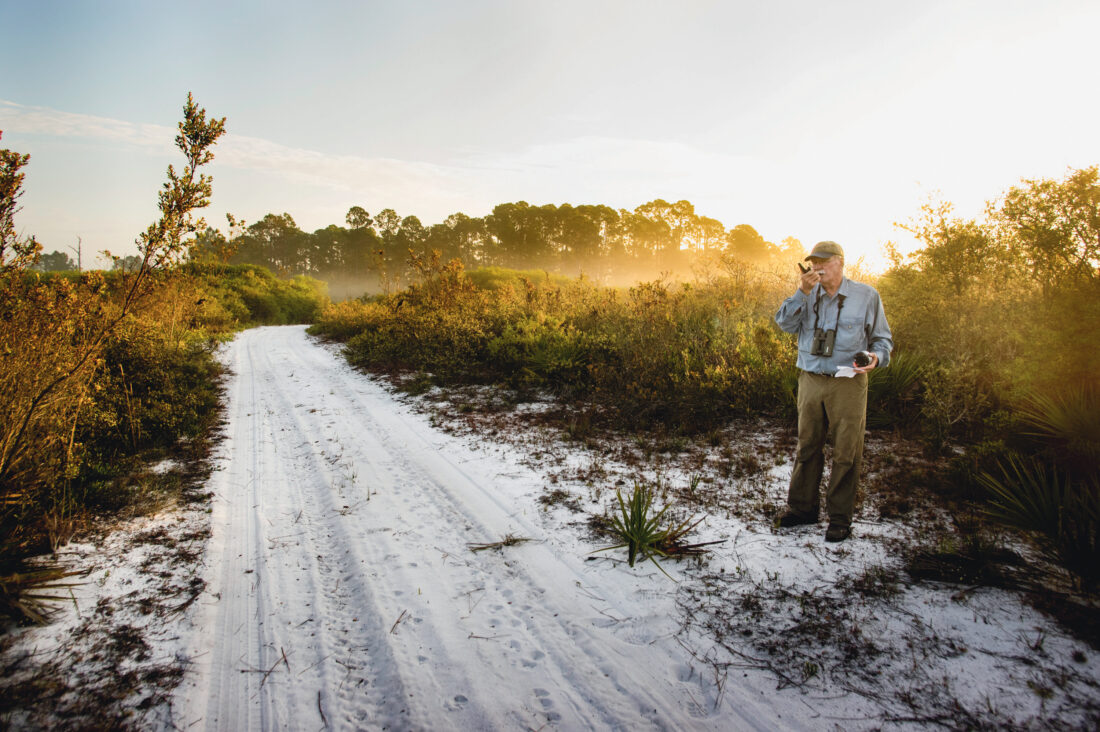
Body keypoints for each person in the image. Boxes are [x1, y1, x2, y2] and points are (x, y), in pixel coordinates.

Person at [773, 241, 893, 542]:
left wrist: (875, 358)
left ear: (840, 262)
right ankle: (802, 510)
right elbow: (784, 324)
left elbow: (882, 340)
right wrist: (801, 292)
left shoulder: (866, 296)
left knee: (846, 451)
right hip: (811, 378)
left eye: (823, 262)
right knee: (807, 445)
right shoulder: (806, 294)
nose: (817, 267)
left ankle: (840, 518)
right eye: (813, 262)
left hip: (848, 381)